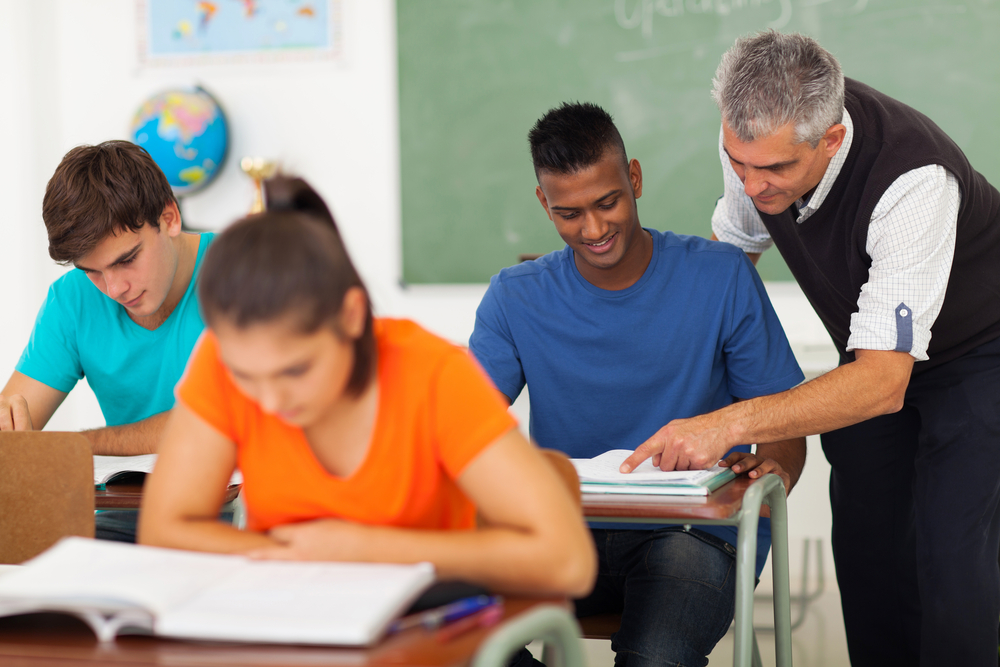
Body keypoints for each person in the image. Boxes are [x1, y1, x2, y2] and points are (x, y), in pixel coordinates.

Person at [621, 30, 1000, 666]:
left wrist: (732, 421)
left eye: (774, 170)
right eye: (738, 163)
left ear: (830, 138)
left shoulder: (913, 181)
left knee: (952, 561)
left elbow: (884, 382)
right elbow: (729, 268)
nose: (754, 184)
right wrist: (683, 399)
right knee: (868, 549)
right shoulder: (755, 143)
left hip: (982, 352)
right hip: (875, 353)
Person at [138, 176, 596, 599]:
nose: (270, 402)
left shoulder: (433, 373)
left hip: (426, 628)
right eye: (244, 376)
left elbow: (568, 560)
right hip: (297, 619)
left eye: (295, 371)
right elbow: (164, 529)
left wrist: (367, 548)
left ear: (352, 315)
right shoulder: (221, 360)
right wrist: (294, 556)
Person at [469, 102, 806, 667]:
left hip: (692, 537)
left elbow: (784, 421)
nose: (594, 229)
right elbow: (458, 420)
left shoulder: (721, 275)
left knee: (658, 655)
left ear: (635, 178)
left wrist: (775, 466)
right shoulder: (515, 296)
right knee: (442, 628)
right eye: (569, 213)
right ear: (543, 205)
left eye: (608, 203)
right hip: (563, 535)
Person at [0, 140, 213, 543]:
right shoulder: (72, 299)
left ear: (169, 218)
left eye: (126, 259)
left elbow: (207, 425)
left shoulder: (243, 277)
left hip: (242, 512)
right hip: (128, 520)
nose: (114, 288)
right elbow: (14, 424)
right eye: (92, 271)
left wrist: (76, 446)